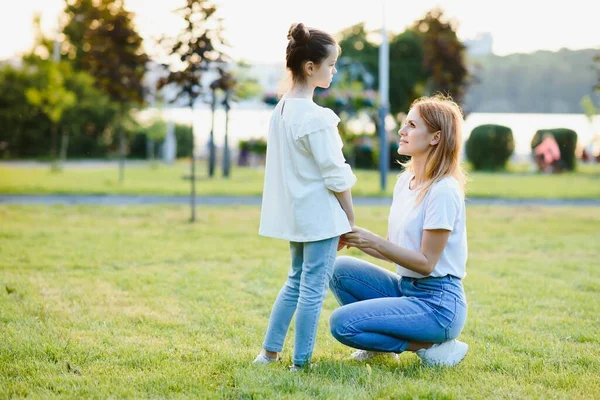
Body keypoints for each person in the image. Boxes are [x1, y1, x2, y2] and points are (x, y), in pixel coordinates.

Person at [330, 94, 470, 367]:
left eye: (412, 125)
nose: (402, 131)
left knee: (342, 324)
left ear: (435, 137)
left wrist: (374, 242)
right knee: (340, 270)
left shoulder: (443, 190)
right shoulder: (406, 181)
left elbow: (426, 264)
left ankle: (433, 346)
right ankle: (380, 345)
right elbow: (397, 249)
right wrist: (356, 238)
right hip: (407, 289)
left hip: (438, 304)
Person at [253, 23, 356, 371]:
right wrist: (350, 218)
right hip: (320, 217)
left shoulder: (280, 111)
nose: (334, 71)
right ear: (310, 67)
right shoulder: (316, 117)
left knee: (295, 281)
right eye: (330, 64)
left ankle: (268, 353)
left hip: (298, 215)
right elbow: (336, 174)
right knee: (312, 288)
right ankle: (300, 363)